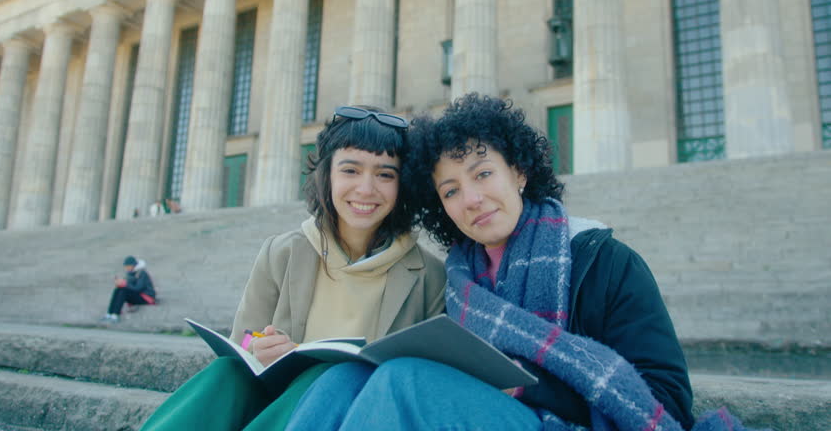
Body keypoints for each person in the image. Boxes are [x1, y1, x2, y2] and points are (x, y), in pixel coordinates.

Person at [284, 94, 757, 431]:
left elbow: (668, 401)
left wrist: (525, 387)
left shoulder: (604, 262)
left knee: (404, 382)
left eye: (483, 173)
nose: (472, 199)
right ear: (440, 207)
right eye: (450, 191)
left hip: (560, 422)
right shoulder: (461, 282)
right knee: (343, 377)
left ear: (520, 173)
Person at [139, 105, 446, 431]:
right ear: (326, 175)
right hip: (274, 401)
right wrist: (257, 347)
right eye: (350, 170)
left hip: (353, 417)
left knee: (329, 375)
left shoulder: (429, 275)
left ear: (404, 185)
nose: (366, 189)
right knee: (226, 373)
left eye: (385, 174)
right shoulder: (281, 252)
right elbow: (241, 342)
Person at [101, 256, 156, 323]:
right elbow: (129, 286)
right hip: (137, 295)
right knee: (118, 289)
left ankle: (115, 315)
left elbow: (138, 288)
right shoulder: (130, 273)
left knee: (123, 291)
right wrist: (120, 283)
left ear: (133, 265)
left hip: (146, 298)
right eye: (126, 266)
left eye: (128, 266)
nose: (127, 268)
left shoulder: (142, 273)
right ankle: (109, 313)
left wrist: (125, 284)